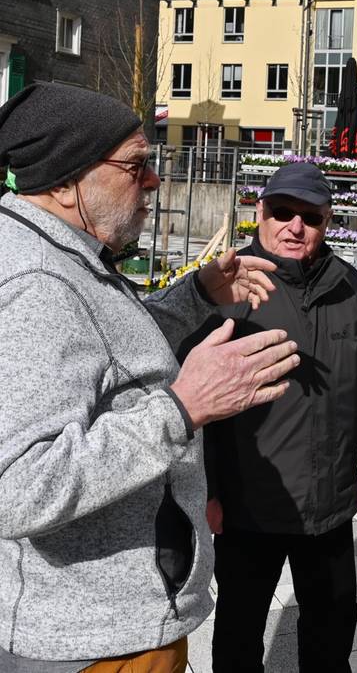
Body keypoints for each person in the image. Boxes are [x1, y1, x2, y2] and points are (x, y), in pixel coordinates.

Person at [0, 82, 298, 672]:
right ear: (65, 182)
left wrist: (195, 295)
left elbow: (105, 350)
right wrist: (183, 408)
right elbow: (19, 489)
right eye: (136, 166)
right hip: (94, 639)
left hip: (116, 622)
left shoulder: (60, 251)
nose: (155, 181)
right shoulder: (37, 284)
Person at [184, 162, 357, 673]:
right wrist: (207, 490)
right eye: (282, 212)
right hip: (250, 502)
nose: (294, 227)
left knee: (332, 623)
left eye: (310, 217)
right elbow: (194, 401)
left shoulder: (348, 285)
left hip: (329, 501)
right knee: (239, 630)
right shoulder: (231, 287)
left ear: (326, 221)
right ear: (261, 212)